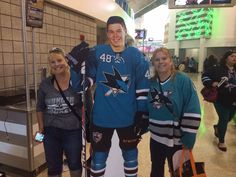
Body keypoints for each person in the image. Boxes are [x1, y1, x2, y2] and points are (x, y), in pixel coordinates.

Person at [67, 16, 150, 177]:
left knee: (131, 157)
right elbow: (81, 86)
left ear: (125, 31)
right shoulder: (97, 52)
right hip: (102, 118)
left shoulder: (136, 56)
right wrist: (74, 67)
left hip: (128, 118)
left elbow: (143, 88)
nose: (115, 35)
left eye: (119, 31)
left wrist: (143, 112)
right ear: (107, 34)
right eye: (111, 32)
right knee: (98, 159)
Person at [148, 48, 201, 177]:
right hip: (156, 137)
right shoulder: (151, 83)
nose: (161, 62)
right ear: (153, 64)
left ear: (171, 61)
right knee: (156, 169)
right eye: (157, 59)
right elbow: (147, 108)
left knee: (178, 172)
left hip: (177, 139)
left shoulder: (183, 80)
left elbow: (193, 109)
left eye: (164, 58)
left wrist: (188, 138)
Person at [36, 47, 83, 177]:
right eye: (53, 62)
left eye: (59, 60)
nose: (56, 64)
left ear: (66, 60)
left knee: (74, 163)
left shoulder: (77, 81)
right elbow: (39, 107)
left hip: (73, 130)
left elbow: (86, 104)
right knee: (53, 167)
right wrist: (41, 128)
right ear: (49, 65)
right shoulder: (45, 84)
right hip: (51, 131)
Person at [202, 50, 236, 151]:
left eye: (235, 56)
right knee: (224, 119)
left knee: (228, 118)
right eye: (232, 56)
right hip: (220, 99)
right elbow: (204, 76)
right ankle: (221, 141)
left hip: (234, 100)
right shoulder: (217, 68)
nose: (234, 58)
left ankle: (217, 127)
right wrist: (211, 83)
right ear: (226, 58)